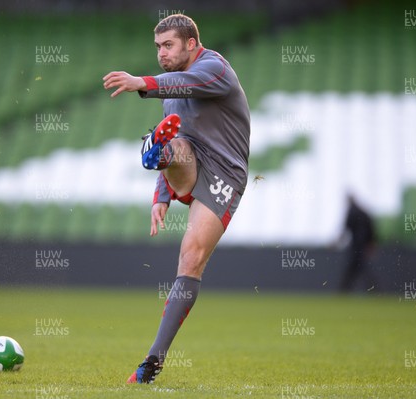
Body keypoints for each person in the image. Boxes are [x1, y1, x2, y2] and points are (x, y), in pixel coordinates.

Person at [103, 13, 251, 384]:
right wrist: (161, 197)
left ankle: (152, 361)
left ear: (190, 43)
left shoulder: (214, 66)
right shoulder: (172, 93)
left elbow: (186, 83)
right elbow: (176, 110)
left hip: (225, 174)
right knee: (175, 144)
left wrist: (143, 83)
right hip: (186, 161)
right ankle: (157, 153)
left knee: (191, 258)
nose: (162, 54)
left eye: (168, 45)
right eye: (157, 47)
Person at [338, 194, 377, 292]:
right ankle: (374, 291)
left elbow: (345, 229)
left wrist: (337, 242)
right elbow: (371, 229)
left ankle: (343, 291)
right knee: (359, 269)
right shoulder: (363, 212)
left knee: (355, 270)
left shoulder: (351, 212)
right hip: (362, 246)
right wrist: (371, 243)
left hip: (356, 246)